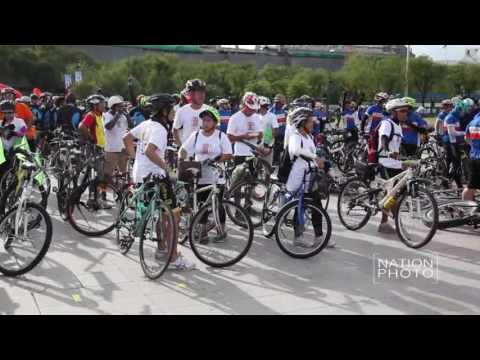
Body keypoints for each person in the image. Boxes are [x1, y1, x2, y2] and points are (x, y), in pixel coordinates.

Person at [123, 94, 195, 271]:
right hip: (156, 176)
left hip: (140, 174)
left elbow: (126, 138)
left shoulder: (147, 124)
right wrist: (167, 169)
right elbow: (150, 151)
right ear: (164, 110)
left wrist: (135, 159)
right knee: (174, 215)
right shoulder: (161, 130)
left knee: (160, 211)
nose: (174, 112)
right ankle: (172, 257)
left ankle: (162, 248)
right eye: (172, 108)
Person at [179, 106, 233, 241]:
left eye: (209, 120)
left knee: (218, 204)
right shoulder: (196, 135)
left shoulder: (221, 136)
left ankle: (221, 229)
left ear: (215, 122)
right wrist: (181, 158)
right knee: (201, 204)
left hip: (216, 175)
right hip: (199, 175)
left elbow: (228, 154)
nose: (205, 123)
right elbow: (184, 149)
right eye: (204, 120)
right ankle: (203, 231)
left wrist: (216, 159)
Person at [285, 107, 331, 248]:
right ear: (302, 122)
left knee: (317, 206)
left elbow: (313, 155)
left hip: (310, 177)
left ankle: (319, 237)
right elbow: (295, 150)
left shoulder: (309, 137)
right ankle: (298, 237)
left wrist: (323, 164)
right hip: (297, 177)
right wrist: (314, 157)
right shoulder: (295, 136)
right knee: (301, 207)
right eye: (310, 121)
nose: (313, 124)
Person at [376, 98, 409, 234]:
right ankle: (391, 223)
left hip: (396, 164)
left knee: (396, 195)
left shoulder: (398, 126)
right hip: (386, 162)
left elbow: (398, 146)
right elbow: (383, 140)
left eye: (406, 111)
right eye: (402, 111)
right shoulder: (387, 123)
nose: (405, 113)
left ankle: (386, 222)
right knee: (392, 195)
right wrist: (388, 151)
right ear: (393, 112)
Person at [443, 98, 473, 188]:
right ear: (460, 109)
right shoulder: (451, 117)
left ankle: (448, 182)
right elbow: (452, 133)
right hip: (451, 144)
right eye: (464, 111)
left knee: (454, 164)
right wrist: (465, 133)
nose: (464, 114)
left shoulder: (456, 117)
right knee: (456, 165)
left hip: (454, 143)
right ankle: (458, 185)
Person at [227, 92, 263, 166]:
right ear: (244, 105)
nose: (253, 111)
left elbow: (260, 134)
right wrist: (243, 136)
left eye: (254, 109)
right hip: (240, 154)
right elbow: (229, 138)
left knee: (253, 177)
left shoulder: (257, 117)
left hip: (254, 154)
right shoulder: (235, 118)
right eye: (250, 108)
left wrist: (252, 135)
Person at [173, 79, 208, 147]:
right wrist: (180, 146)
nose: (201, 94)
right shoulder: (181, 111)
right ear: (190, 93)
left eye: (203, 91)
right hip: (187, 151)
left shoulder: (212, 110)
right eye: (198, 91)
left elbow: (216, 132)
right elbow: (175, 130)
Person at [103, 96, 130, 186]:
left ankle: (123, 192)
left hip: (122, 149)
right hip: (111, 150)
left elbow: (131, 126)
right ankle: (103, 192)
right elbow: (108, 127)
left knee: (124, 173)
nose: (121, 108)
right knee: (107, 174)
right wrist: (117, 116)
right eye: (119, 106)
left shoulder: (123, 117)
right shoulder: (107, 115)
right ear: (113, 106)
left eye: (122, 106)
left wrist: (127, 115)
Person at [0, 100, 27, 178]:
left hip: (15, 151)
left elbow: (23, 132)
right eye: (5, 113)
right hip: (3, 152)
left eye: (10, 112)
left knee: (13, 174)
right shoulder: (1, 122)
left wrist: (14, 133)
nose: (7, 115)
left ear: (14, 112)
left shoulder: (19, 121)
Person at [463, 111, 480, 201]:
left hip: (473, 156)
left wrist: (474, 147)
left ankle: (465, 209)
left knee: (471, 187)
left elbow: (466, 138)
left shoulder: (472, 121)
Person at [258, 96, 278, 166]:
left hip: (266, 146)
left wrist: (269, 146)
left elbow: (274, 132)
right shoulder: (256, 116)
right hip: (256, 145)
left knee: (267, 169)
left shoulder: (272, 116)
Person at [269, 94, 288, 165]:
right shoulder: (271, 111)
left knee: (281, 150)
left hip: (282, 135)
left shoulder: (283, 111)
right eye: (281, 103)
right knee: (274, 151)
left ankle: (277, 162)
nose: (282, 104)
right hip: (274, 135)